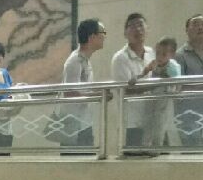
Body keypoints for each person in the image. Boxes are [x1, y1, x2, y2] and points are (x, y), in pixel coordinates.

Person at [110, 12, 156, 151]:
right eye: (132, 26)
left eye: (140, 25)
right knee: (134, 160)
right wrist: (154, 86)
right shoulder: (120, 58)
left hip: (152, 119)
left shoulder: (152, 53)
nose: (137, 29)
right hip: (132, 123)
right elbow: (127, 89)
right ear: (125, 33)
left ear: (147, 29)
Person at [59, 19, 107, 148]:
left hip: (84, 124)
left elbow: (83, 90)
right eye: (102, 32)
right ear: (92, 37)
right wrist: (99, 95)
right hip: (73, 127)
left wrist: (98, 93)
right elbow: (70, 93)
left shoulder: (85, 60)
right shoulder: (74, 61)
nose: (105, 36)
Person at [175, 14, 203, 147]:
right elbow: (178, 87)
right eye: (196, 24)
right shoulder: (179, 55)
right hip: (189, 115)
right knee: (193, 152)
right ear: (186, 30)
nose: (200, 27)